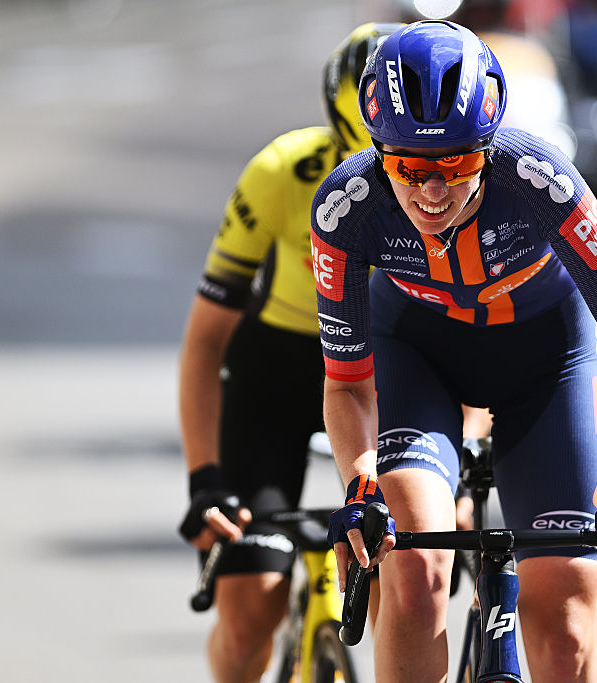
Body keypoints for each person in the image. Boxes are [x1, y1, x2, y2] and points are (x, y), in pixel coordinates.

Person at [313, 20, 597, 683]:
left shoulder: (541, 184)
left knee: (564, 630)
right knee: (415, 572)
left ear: (487, 147)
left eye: (454, 165)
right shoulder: (346, 209)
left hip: (546, 366)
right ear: (378, 152)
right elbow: (346, 386)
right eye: (410, 169)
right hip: (418, 362)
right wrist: (361, 484)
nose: (431, 193)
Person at [175, 23, 404, 683]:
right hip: (273, 376)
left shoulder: (440, 179)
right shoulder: (281, 173)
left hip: (381, 375)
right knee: (249, 617)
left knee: (401, 583)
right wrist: (205, 481)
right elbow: (206, 342)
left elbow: (466, 331)